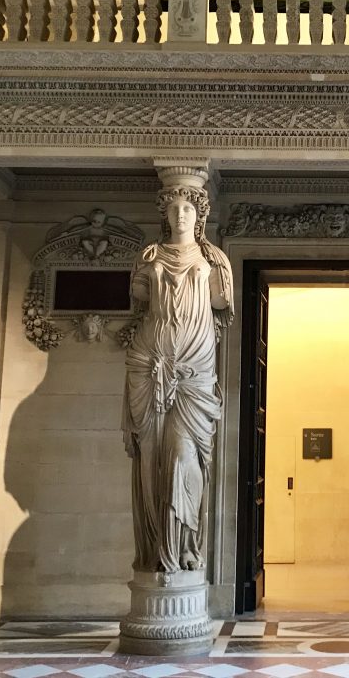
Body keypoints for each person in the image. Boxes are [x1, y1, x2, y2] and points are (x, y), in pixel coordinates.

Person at [123, 186, 233, 575]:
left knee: (184, 459)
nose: (181, 214)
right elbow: (140, 300)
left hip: (195, 370)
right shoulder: (149, 256)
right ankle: (157, 551)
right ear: (165, 215)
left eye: (188, 207)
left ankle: (184, 547)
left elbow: (220, 303)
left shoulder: (214, 260)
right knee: (151, 461)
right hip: (149, 364)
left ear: (200, 215)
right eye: (173, 208)